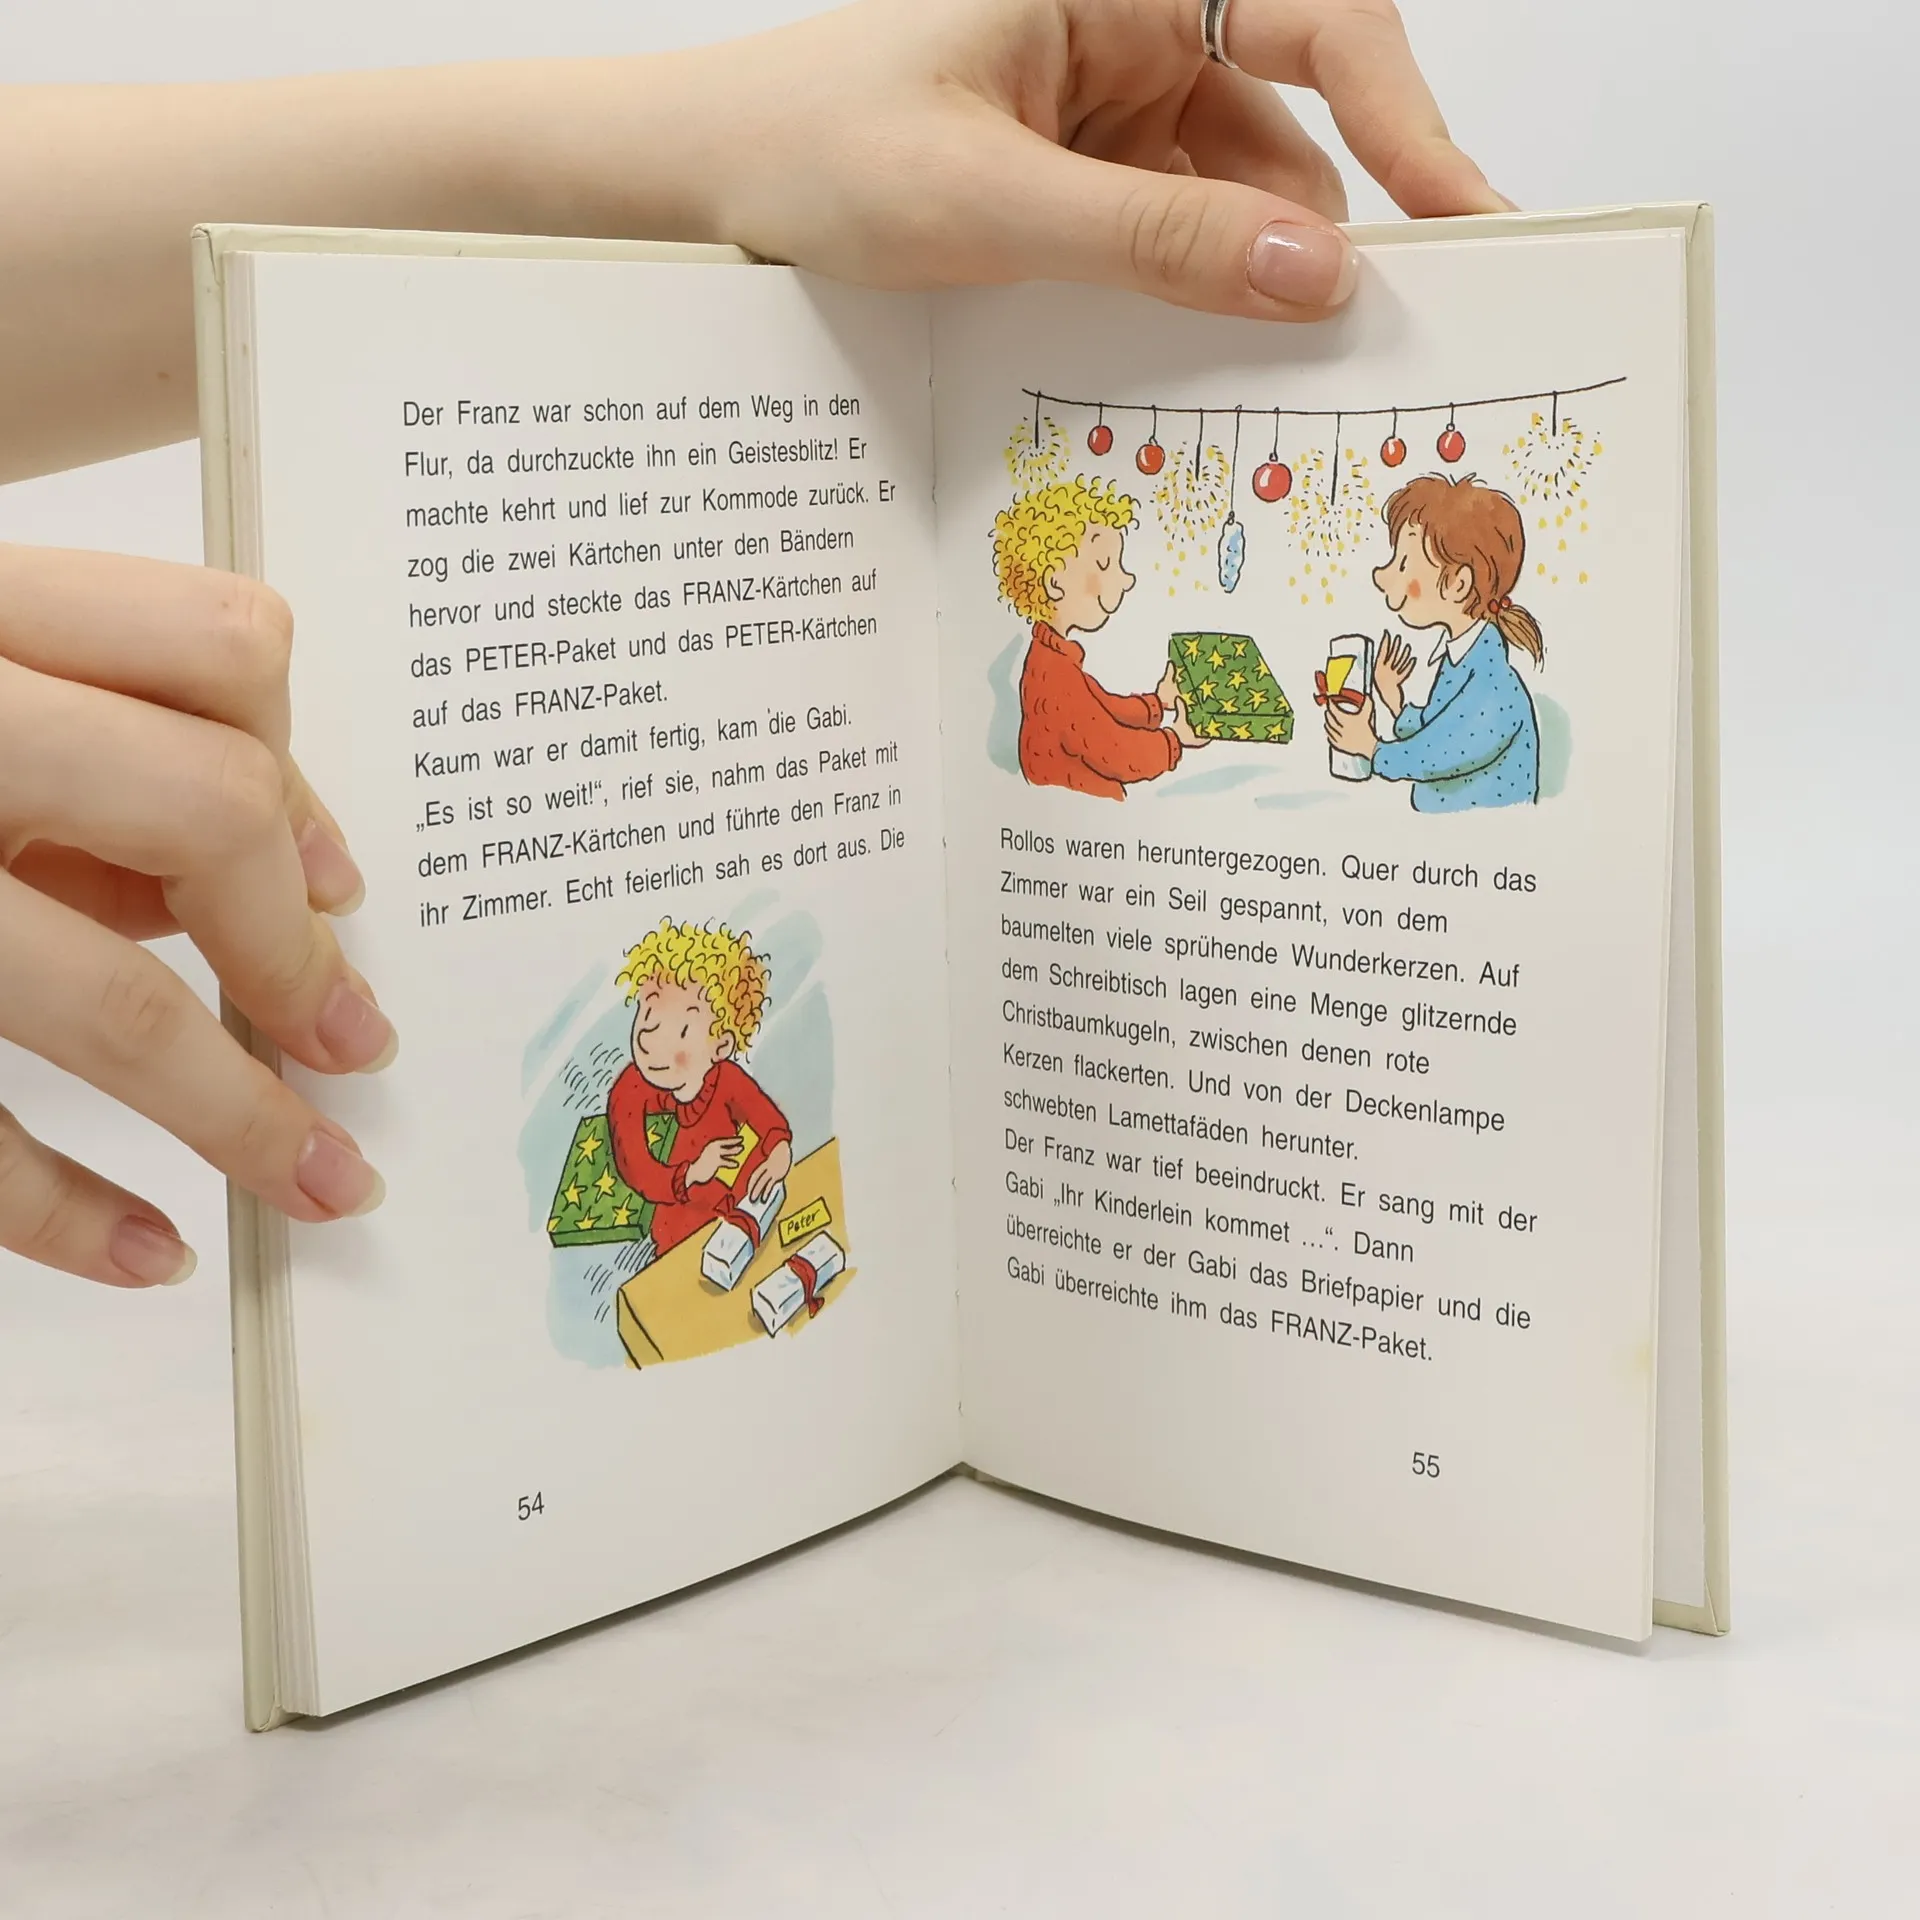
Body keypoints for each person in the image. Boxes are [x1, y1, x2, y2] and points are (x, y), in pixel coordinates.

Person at [0, 0, 1509, 1288]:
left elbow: (774, 1121)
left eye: (677, 1021)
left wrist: (678, 142)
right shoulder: (654, 1098)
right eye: (662, 1021)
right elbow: (1074, 739)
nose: (663, 1041)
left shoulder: (735, 1075)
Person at [1325, 473, 1543, 809]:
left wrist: (1371, 748)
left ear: (1458, 584)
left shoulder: (1495, 684)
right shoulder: (1461, 660)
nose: (1382, 576)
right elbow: (1436, 725)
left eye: (1404, 564)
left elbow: (1439, 753)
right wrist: (1394, 700)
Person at [998, 477, 1207, 797]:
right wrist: (1175, 739)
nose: (1125, 579)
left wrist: (1158, 703)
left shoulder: (1051, 657)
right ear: (1055, 582)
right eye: (1104, 564)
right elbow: (1114, 752)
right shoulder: (1055, 673)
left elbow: (1104, 707)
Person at [606, 923, 793, 1256]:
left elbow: (771, 1125)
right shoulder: (629, 1089)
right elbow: (636, 1168)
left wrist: (780, 1152)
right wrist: (692, 1173)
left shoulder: (728, 1080)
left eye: (679, 1030)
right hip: (675, 1238)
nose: (649, 1040)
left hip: (735, 1221)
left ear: (720, 1045)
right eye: (648, 1015)